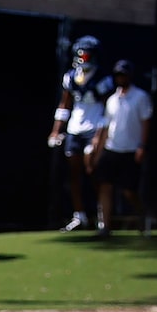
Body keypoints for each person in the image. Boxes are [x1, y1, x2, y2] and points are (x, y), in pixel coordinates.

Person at [49, 35, 109, 234]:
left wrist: (100, 135)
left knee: (93, 171)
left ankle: (102, 216)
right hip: (75, 128)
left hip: (95, 128)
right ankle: (79, 215)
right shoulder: (70, 77)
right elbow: (64, 104)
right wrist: (56, 130)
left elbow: (108, 108)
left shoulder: (103, 79)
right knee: (73, 174)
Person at [93, 59, 154, 235]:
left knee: (129, 191)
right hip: (112, 148)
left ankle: (142, 216)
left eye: (123, 74)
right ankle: (105, 226)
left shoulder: (141, 97)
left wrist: (142, 145)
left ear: (130, 76)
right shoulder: (112, 100)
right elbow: (105, 126)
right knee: (105, 185)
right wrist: (98, 147)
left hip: (131, 150)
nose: (120, 78)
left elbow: (145, 122)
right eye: (118, 75)